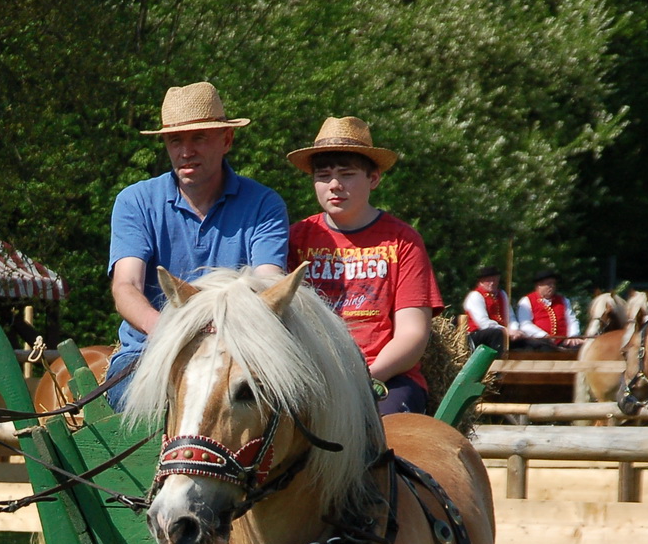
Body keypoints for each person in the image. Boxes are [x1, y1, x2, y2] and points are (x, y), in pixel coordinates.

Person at [105, 81, 289, 407]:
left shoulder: (264, 204)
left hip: (236, 355)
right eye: (175, 140)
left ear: (227, 140)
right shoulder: (135, 202)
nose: (186, 151)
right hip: (148, 352)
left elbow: (268, 284)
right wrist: (170, 333)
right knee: (140, 402)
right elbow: (125, 287)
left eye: (199, 138)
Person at [285, 116, 441, 415]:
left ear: (374, 179)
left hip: (387, 378)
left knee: (391, 442)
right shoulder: (296, 239)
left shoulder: (402, 241)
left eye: (347, 174)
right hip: (311, 378)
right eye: (323, 175)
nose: (334, 185)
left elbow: (413, 334)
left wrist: (367, 378)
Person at [515, 270, 582, 350]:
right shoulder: (526, 301)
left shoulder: (563, 301)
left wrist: (573, 336)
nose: (552, 286)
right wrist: (544, 336)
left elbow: (572, 320)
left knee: (580, 348)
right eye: (549, 284)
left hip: (563, 341)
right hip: (539, 341)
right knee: (545, 348)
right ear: (539, 285)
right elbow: (525, 325)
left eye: (554, 284)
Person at [463, 265, 515, 352]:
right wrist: (504, 330)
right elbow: (483, 323)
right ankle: (497, 361)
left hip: (499, 332)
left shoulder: (502, 294)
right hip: (478, 334)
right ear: (481, 282)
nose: (492, 283)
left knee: (526, 340)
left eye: (494, 280)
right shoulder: (475, 296)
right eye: (488, 280)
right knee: (496, 334)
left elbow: (511, 316)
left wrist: (514, 329)